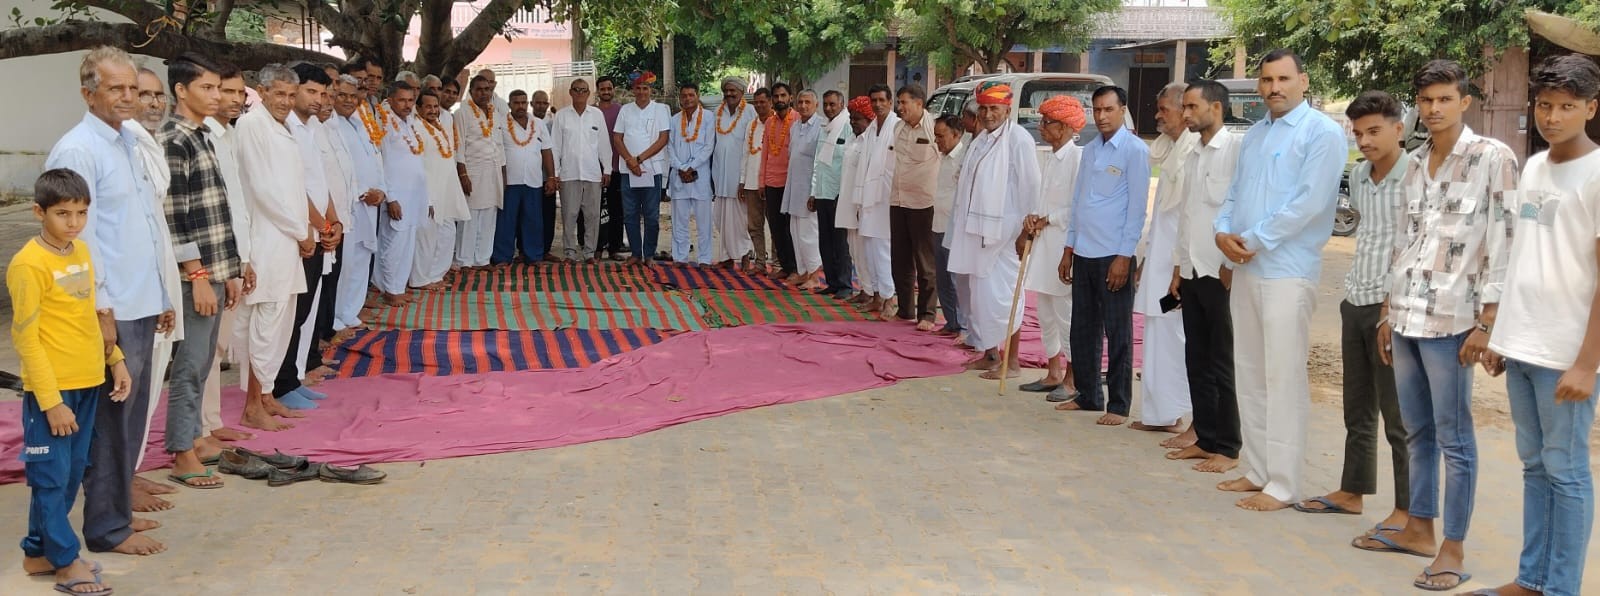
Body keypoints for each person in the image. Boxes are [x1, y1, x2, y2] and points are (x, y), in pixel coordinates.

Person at [1356, 60, 1518, 591]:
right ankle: (1419, 527)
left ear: (1464, 101)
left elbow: (1505, 238)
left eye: (1444, 99)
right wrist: (1386, 309)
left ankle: (1453, 546)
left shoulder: (1493, 158)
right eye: (1426, 101)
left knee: (1455, 436)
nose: (1434, 109)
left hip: (1455, 320)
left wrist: (1489, 319)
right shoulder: (1417, 162)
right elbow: (1404, 240)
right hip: (1405, 315)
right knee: (1416, 428)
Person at [46, 46, 174, 556]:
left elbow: (142, 229)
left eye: (133, 88)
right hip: (109, 310)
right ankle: (104, 529)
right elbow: (80, 243)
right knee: (109, 424)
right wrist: (100, 316)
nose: (128, 97)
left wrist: (162, 294)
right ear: (88, 93)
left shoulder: (125, 142)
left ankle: (117, 512)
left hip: (140, 302)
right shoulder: (80, 150)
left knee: (129, 421)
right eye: (116, 88)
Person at [1480, 53, 1600, 596]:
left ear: (1590, 108)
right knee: (1534, 467)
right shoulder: (1533, 166)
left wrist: (1586, 362)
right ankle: (1531, 580)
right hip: (1522, 343)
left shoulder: (1597, 175)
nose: (1553, 117)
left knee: (1567, 471)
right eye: (1545, 105)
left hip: (1564, 354)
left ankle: (1562, 588)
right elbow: (1523, 252)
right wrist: (1501, 333)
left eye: (1567, 107)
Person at [1212, 49, 1347, 512]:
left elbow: (1308, 203)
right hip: (1248, 267)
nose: (1275, 88)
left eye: (1284, 78)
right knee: (1249, 371)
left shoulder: (1322, 134)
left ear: (1303, 81)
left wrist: (1249, 238)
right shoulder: (1253, 135)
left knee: (1283, 376)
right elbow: (1233, 194)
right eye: (1267, 80)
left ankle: (1285, 483)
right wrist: (1222, 232)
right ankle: (1258, 468)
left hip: (1288, 271)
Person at [12, 169, 134, 595]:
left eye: (81, 213)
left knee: (67, 476)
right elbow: (25, 338)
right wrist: (50, 401)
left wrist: (115, 360)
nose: (74, 222)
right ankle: (65, 562)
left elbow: (87, 317)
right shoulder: (29, 264)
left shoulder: (80, 251)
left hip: (87, 383)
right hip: (53, 392)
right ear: (39, 212)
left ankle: (37, 551)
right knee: (48, 477)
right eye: (63, 214)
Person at [1293, 91, 1411, 531]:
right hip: (1355, 300)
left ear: (1398, 129)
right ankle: (1352, 491)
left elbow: (1415, 247)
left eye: (1374, 131)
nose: (1365, 140)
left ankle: (1407, 511)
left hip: (1392, 310)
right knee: (1357, 407)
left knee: (1398, 416)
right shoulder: (1359, 176)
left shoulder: (1417, 175)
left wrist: (1391, 308)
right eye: (1358, 133)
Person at [157, 53, 238, 488]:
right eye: (206, 88)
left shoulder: (203, 134)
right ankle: (181, 452)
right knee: (189, 363)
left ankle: (195, 437)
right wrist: (200, 276)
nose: (216, 96)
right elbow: (177, 216)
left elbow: (216, 212)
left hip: (215, 268)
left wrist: (230, 270)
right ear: (180, 91)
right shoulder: (174, 139)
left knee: (205, 360)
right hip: (195, 277)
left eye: (218, 88)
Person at [1057, 86, 1150, 425]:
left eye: (1108, 109)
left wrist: (1124, 257)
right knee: (1082, 328)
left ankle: (1119, 404)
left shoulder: (1135, 150)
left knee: (1118, 331)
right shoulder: (1090, 151)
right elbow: (1078, 203)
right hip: (1083, 251)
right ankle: (1088, 395)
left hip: (1114, 255)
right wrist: (1068, 249)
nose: (1102, 116)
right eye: (1097, 110)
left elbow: (1137, 210)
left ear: (1122, 110)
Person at [1166, 79, 1243, 473]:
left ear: (1216, 108)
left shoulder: (1234, 150)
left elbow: (1240, 210)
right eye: (1185, 107)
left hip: (1219, 272)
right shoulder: (1193, 152)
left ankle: (1228, 447)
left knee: (1221, 361)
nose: (1186, 114)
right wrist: (1178, 268)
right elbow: (1188, 216)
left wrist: (1231, 264)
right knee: (1196, 357)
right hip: (1193, 269)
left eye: (1193, 107)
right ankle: (1205, 438)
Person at [232, 63, 309, 435]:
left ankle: (266, 395)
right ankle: (251, 406)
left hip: (286, 240)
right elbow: (262, 189)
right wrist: (300, 230)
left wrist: (302, 230)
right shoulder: (251, 126)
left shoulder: (283, 126)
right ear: (261, 92)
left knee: (280, 320)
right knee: (262, 323)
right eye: (279, 94)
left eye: (291, 95)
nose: (286, 101)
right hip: (266, 238)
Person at [947, 83, 1040, 379]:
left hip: (1008, 233)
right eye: (984, 109)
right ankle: (990, 354)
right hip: (977, 231)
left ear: (1007, 110)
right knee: (980, 297)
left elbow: (1032, 188)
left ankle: (1010, 362)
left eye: (994, 109)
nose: (988, 114)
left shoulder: (1019, 140)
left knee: (1005, 296)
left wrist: (1026, 232)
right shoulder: (981, 140)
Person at [272, 63, 341, 411]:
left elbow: (321, 182)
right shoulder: (286, 129)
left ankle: (291, 379)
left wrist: (334, 221)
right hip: (301, 235)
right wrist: (322, 226)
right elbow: (297, 189)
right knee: (293, 313)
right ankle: (281, 385)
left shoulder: (312, 128)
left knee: (304, 312)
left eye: (323, 93)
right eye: (311, 91)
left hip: (318, 232)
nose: (319, 99)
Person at [1130, 82, 1197, 434]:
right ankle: (1160, 415)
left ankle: (1185, 417)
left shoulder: (1193, 154)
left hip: (1179, 267)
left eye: (1163, 110)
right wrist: (1145, 259)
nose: (1156, 116)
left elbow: (1189, 219)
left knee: (1177, 337)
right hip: (1159, 263)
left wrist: (1178, 268)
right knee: (1157, 335)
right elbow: (1160, 216)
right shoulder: (1170, 151)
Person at [199, 66, 259, 444]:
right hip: (207, 260)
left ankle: (211, 420)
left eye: (240, 92)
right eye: (227, 91)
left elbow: (237, 203)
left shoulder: (229, 134)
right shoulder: (201, 135)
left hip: (233, 253)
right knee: (201, 350)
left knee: (217, 346)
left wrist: (245, 257)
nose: (236, 99)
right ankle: (198, 428)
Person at [1019, 96, 1084, 398]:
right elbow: (1042, 200)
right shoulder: (1050, 157)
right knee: (1045, 311)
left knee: (1064, 313)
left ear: (1067, 127)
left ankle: (1073, 377)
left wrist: (1048, 219)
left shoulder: (1077, 159)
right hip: (1043, 244)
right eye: (1042, 121)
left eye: (1048, 122)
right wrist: (1033, 218)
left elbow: (1078, 207)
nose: (1042, 127)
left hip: (1063, 247)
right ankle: (1053, 371)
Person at [327, 73, 387, 337]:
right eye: (342, 95)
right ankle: (336, 316)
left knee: (363, 257)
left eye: (353, 95)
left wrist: (381, 192)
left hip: (371, 203)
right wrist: (364, 192)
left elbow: (375, 159)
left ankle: (350, 311)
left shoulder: (360, 121)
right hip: (348, 204)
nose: (349, 100)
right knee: (347, 261)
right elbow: (337, 169)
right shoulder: (329, 124)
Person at [889, 84, 942, 330]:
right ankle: (905, 309)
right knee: (900, 259)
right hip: (898, 200)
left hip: (923, 203)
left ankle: (928, 314)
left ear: (919, 103)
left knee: (925, 261)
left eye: (904, 103)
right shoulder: (898, 128)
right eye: (899, 103)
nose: (900, 108)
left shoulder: (934, 128)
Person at [376, 81, 428, 308]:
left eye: (411, 100)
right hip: (396, 196)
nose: (407, 105)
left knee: (407, 243)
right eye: (402, 100)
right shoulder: (384, 122)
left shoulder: (410, 122)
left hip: (414, 195)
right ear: (390, 100)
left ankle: (398, 286)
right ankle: (390, 289)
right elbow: (382, 162)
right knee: (393, 243)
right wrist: (391, 197)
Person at [411, 89, 470, 288]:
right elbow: (418, 165)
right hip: (429, 192)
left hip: (446, 190)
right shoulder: (416, 127)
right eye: (427, 106)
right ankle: (420, 279)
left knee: (446, 233)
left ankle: (435, 274)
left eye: (435, 106)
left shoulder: (437, 127)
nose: (433, 110)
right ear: (418, 108)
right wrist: (426, 197)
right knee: (426, 238)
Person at [551, 77, 613, 262]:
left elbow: (603, 145)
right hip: (568, 173)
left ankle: (589, 252)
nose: (580, 93)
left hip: (593, 173)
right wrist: (555, 173)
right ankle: (569, 252)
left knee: (592, 215)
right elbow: (555, 146)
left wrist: (607, 169)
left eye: (583, 90)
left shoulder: (596, 115)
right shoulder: (561, 115)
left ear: (589, 93)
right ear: (570, 92)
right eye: (576, 90)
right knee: (569, 214)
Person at [614, 71, 671, 265]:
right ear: (633, 90)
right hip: (627, 171)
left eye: (645, 88)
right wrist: (630, 161)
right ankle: (635, 254)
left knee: (652, 215)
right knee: (630, 213)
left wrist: (638, 159)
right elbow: (617, 138)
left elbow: (663, 138)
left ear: (651, 90)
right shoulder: (625, 110)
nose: (641, 92)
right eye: (638, 88)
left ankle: (648, 254)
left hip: (651, 169)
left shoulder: (660, 109)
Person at [496, 89, 556, 265]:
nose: (520, 106)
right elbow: (497, 152)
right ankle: (502, 257)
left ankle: (534, 256)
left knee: (533, 220)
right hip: (510, 181)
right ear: (509, 105)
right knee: (507, 221)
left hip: (533, 180)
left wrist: (551, 177)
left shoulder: (538, 124)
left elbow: (546, 150)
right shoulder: (500, 123)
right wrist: (501, 177)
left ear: (527, 103)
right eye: (516, 103)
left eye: (523, 102)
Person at [453, 75, 507, 270]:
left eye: (487, 89)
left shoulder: (496, 113)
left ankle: (482, 259)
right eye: (479, 89)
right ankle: (464, 260)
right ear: (471, 91)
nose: (484, 93)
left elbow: (499, 146)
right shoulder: (462, 113)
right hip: (473, 171)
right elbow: (458, 148)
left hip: (493, 172)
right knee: (470, 217)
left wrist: (503, 174)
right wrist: (463, 175)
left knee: (489, 215)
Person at [856, 84, 900, 318]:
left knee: (883, 250)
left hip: (886, 197)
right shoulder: (871, 129)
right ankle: (876, 295)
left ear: (890, 102)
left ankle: (890, 298)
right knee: (868, 249)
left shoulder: (897, 127)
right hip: (868, 197)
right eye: (874, 100)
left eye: (882, 100)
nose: (878, 104)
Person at [810, 90, 855, 297]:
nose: (828, 108)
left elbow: (849, 163)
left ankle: (845, 285)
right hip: (822, 192)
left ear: (841, 104)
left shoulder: (847, 127)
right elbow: (817, 163)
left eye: (832, 105)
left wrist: (844, 194)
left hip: (839, 193)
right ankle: (832, 282)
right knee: (825, 241)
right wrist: (813, 192)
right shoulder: (824, 128)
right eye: (826, 105)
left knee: (840, 243)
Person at [711, 77, 757, 269]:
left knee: (739, 219)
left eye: (733, 91)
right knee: (720, 217)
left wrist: (745, 178)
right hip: (719, 173)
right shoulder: (717, 112)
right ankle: (726, 257)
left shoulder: (750, 112)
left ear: (741, 92)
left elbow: (752, 145)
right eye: (726, 90)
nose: (729, 94)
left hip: (739, 176)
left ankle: (746, 255)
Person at [668, 82, 717, 265]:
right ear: (680, 98)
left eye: (691, 95)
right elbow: (670, 147)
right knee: (679, 220)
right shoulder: (674, 120)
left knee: (704, 222)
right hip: (679, 176)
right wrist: (681, 168)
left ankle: (704, 259)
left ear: (697, 95)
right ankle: (680, 257)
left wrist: (691, 167)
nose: (688, 99)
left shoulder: (709, 118)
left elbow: (708, 147)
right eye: (684, 96)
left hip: (700, 176)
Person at [784, 90, 827, 290]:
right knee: (795, 231)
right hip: (794, 185)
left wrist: (814, 192)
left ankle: (814, 275)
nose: (803, 106)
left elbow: (819, 161)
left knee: (809, 232)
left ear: (815, 105)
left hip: (809, 188)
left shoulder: (821, 126)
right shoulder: (795, 126)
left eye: (807, 102)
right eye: (800, 102)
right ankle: (803, 271)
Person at [930, 115, 969, 336]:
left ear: (956, 134)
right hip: (937, 222)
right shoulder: (942, 157)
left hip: (954, 227)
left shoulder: (963, 158)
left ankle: (962, 325)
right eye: (935, 136)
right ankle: (951, 322)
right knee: (942, 278)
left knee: (955, 279)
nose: (937, 141)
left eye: (941, 136)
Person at [837, 96, 875, 305]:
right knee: (853, 248)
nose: (853, 122)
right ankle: (863, 288)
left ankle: (871, 290)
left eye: (857, 118)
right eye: (851, 117)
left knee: (864, 249)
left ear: (869, 119)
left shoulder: (871, 140)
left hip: (862, 203)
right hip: (847, 201)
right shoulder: (853, 139)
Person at [761, 83, 801, 279]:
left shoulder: (798, 120)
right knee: (776, 228)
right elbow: (765, 154)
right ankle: (785, 267)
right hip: (771, 181)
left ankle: (795, 268)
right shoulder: (769, 122)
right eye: (776, 96)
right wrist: (762, 181)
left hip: (790, 181)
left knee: (790, 227)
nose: (779, 99)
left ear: (790, 97)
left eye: (783, 95)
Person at [592, 76, 627, 261]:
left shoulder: (621, 111)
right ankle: (595, 247)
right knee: (594, 209)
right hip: (594, 168)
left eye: (609, 88)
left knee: (616, 209)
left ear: (614, 90)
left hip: (616, 167)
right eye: (602, 89)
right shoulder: (591, 111)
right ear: (597, 91)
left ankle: (614, 247)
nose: (606, 91)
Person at [742, 88, 775, 270]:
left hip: (771, 183)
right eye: (756, 102)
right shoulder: (751, 125)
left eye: (763, 102)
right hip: (752, 183)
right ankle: (760, 262)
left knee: (775, 226)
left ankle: (778, 264)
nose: (759, 106)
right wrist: (742, 180)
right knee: (754, 226)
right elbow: (745, 154)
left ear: (770, 102)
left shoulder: (778, 123)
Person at [135, 67, 168, 133]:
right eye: (145, 97)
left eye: (160, 96)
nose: (156, 104)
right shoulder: (114, 141)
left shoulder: (166, 141)